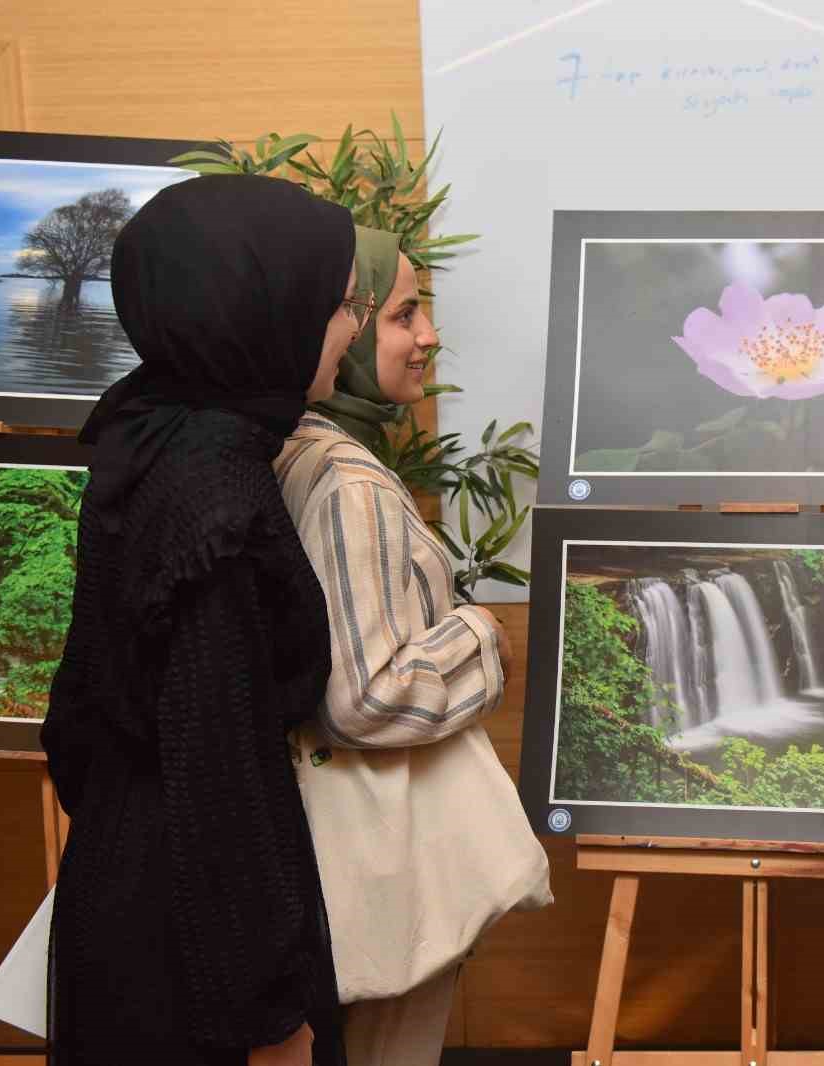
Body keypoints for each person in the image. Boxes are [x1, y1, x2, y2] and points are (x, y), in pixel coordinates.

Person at [41, 174, 365, 1066]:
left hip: (129, 877)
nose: (352, 328)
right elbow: (218, 767)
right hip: (195, 947)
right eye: (341, 305)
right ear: (264, 310)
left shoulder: (147, 436)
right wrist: (272, 1020)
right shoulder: (217, 488)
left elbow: (73, 719)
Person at [273, 224, 552, 1066]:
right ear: (346, 327)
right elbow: (366, 698)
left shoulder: (281, 446)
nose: (429, 336)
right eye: (403, 315)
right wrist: (479, 635)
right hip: (379, 853)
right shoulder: (348, 481)